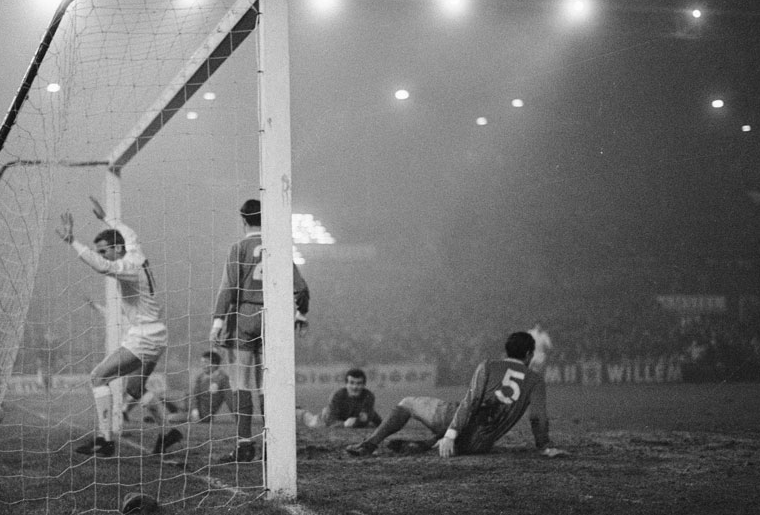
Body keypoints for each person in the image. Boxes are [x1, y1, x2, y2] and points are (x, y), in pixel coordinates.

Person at [56, 197, 180, 457]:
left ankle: (104, 440)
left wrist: (72, 242)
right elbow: (129, 233)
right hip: (155, 333)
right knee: (135, 388)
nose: (102, 255)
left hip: (144, 336)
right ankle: (168, 432)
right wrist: (106, 219)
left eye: (104, 250)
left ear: (116, 249)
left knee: (98, 377)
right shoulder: (134, 250)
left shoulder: (129, 267)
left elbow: (102, 267)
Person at [346, 331, 565, 459]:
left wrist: (451, 433)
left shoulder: (488, 365)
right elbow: (537, 417)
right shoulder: (535, 380)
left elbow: (471, 402)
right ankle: (427, 444)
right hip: (480, 443)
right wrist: (544, 446)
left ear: (507, 351)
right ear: (528, 354)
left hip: (456, 423)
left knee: (408, 403)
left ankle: (370, 444)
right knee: (459, 429)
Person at [210, 198, 310, 463]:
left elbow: (228, 288)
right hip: (272, 319)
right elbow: (300, 288)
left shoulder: (238, 248)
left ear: (243, 220)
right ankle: (271, 444)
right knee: (267, 384)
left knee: (240, 382)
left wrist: (218, 321)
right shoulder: (277, 247)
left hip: (243, 316)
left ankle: (244, 445)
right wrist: (301, 312)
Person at [300, 368, 381, 429]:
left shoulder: (368, 396)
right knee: (311, 422)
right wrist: (344, 424)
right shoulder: (337, 396)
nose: (355, 387)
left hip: (347, 419)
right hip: (325, 419)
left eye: (359, 383)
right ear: (346, 384)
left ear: (364, 385)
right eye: (351, 383)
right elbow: (330, 422)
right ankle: (298, 411)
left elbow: (368, 417)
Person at [190, 350, 232, 422]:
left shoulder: (222, 378)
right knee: (166, 395)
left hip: (203, 414)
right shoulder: (200, 376)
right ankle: (180, 412)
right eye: (202, 362)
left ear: (214, 364)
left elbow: (229, 399)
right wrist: (194, 409)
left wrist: (238, 416)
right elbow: (194, 395)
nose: (202, 365)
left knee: (171, 418)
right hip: (193, 408)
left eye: (205, 362)